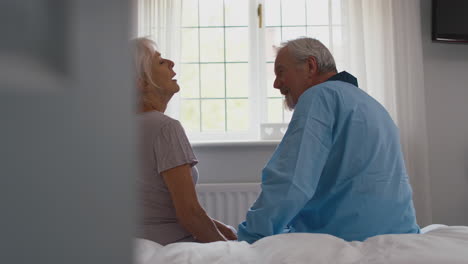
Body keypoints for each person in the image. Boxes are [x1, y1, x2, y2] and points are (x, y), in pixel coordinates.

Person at [237, 37, 420, 244]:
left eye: (281, 72)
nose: (276, 84)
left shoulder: (318, 96)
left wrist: (250, 237)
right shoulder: (373, 105)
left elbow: (290, 182)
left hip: (348, 239)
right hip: (402, 236)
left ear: (310, 66)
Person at [132, 37, 237, 245]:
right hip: (169, 244)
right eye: (160, 61)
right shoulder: (165, 127)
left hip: (137, 241)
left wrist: (219, 227)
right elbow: (189, 214)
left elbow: (153, 205)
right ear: (141, 83)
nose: (171, 62)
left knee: (230, 230)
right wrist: (230, 251)